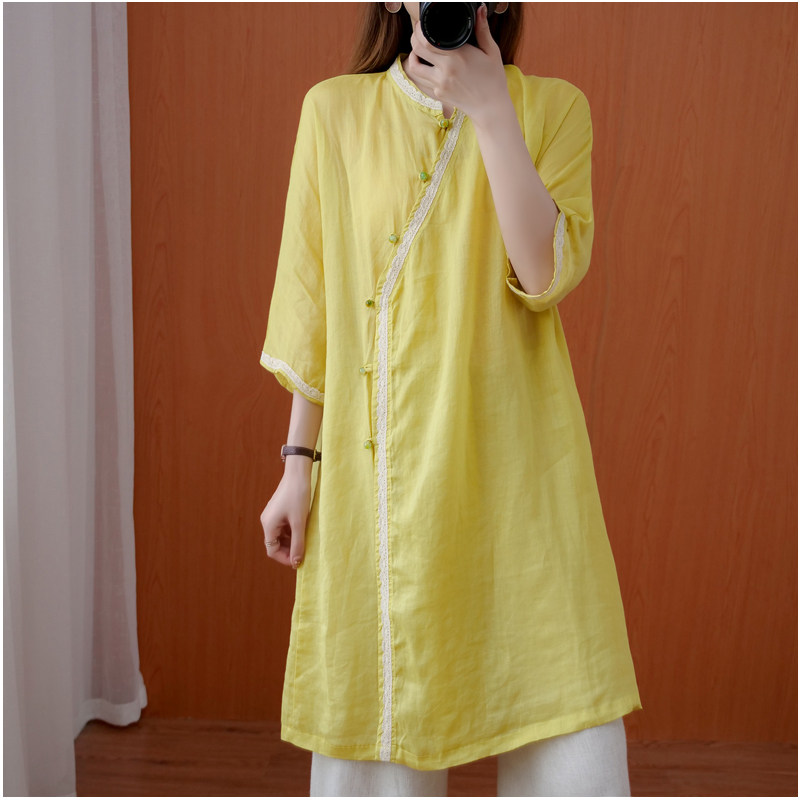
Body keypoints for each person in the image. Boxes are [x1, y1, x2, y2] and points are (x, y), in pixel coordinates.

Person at [258, 1, 642, 795]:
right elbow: (314, 306)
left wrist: (493, 110)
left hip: (522, 478)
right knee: (381, 722)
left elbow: (545, 274)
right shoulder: (334, 112)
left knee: (568, 731)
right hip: (378, 485)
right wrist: (297, 465)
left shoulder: (553, 109)